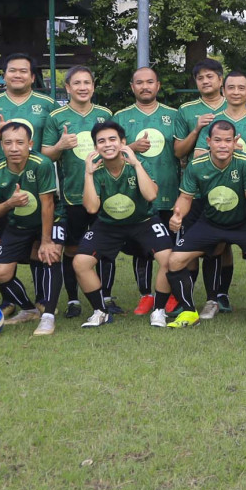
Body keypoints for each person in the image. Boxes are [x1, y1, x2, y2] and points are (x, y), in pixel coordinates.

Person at [165, 119, 246, 327]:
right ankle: (188, 312)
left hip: (242, 223)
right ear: (208, 141)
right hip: (211, 223)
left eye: (228, 140)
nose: (223, 145)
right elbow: (186, 198)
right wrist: (177, 214)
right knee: (174, 261)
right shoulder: (196, 165)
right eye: (218, 140)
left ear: (235, 142)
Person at [193, 71, 246, 312]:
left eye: (242, 88)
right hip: (216, 197)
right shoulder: (212, 121)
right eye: (231, 87)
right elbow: (199, 155)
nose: (236, 92)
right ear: (224, 90)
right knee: (216, 246)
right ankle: (215, 298)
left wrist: (244, 182)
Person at [72, 121, 165, 329]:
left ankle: (159, 310)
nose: (107, 145)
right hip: (108, 224)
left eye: (112, 139)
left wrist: (136, 164)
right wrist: (88, 174)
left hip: (144, 221)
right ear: (96, 147)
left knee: (169, 259)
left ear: (123, 142)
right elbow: (91, 208)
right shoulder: (94, 169)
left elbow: (151, 195)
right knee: (80, 262)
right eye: (101, 141)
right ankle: (100, 311)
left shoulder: (139, 162)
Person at [40, 66, 113, 319]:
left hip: (103, 194)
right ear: (68, 87)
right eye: (77, 83)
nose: (83, 87)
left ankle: (106, 298)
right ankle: (73, 300)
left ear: (93, 86)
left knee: (104, 248)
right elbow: (45, 152)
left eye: (88, 82)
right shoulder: (57, 116)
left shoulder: (104, 114)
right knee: (71, 249)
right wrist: (60, 145)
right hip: (71, 195)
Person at [113, 66, 183, 323]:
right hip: (135, 196)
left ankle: (172, 293)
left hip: (169, 192)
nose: (145, 86)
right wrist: (130, 147)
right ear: (132, 87)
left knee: (171, 249)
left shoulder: (174, 115)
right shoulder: (120, 116)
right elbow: (109, 151)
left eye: (150, 82)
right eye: (139, 82)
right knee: (143, 248)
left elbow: (181, 150)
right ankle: (146, 295)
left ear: (158, 85)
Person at [0, 121, 62, 334]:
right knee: (1, 274)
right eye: (8, 143)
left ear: (30, 143)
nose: (14, 148)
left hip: (48, 220)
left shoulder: (41, 163)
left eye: (20, 142)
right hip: (16, 223)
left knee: (49, 254)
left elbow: (48, 203)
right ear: (1, 145)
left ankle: (47, 310)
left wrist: (46, 240)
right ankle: (28, 309)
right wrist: (10, 203)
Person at [0, 54, 56, 164]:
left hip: (39, 177)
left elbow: (60, 143)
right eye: (12, 70)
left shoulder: (48, 104)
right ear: (4, 76)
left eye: (23, 71)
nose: (17, 75)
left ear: (32, 77)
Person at [175, 58, 227, 158]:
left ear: (220, 80)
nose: (205, 81)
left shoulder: (233, 105)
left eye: (209, 76)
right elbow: (178, 153)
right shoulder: (186, 110)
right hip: (197, 171)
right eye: (200, 78)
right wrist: (196, 130)